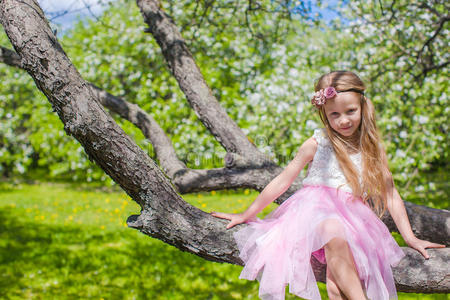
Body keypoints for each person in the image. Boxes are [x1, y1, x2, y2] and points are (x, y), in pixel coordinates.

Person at [210, 71, 446, 300]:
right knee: (332, 229)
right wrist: (247, 213)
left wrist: (410, 238)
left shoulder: (372, 148)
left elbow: (390, 193)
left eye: (351, 111)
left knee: (335, 289)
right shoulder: (317, 143)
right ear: (324, 114)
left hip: (354, 220)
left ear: (363, 106)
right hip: (313, 214)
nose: (343, 120)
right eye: (334, 115)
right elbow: (283, 180)